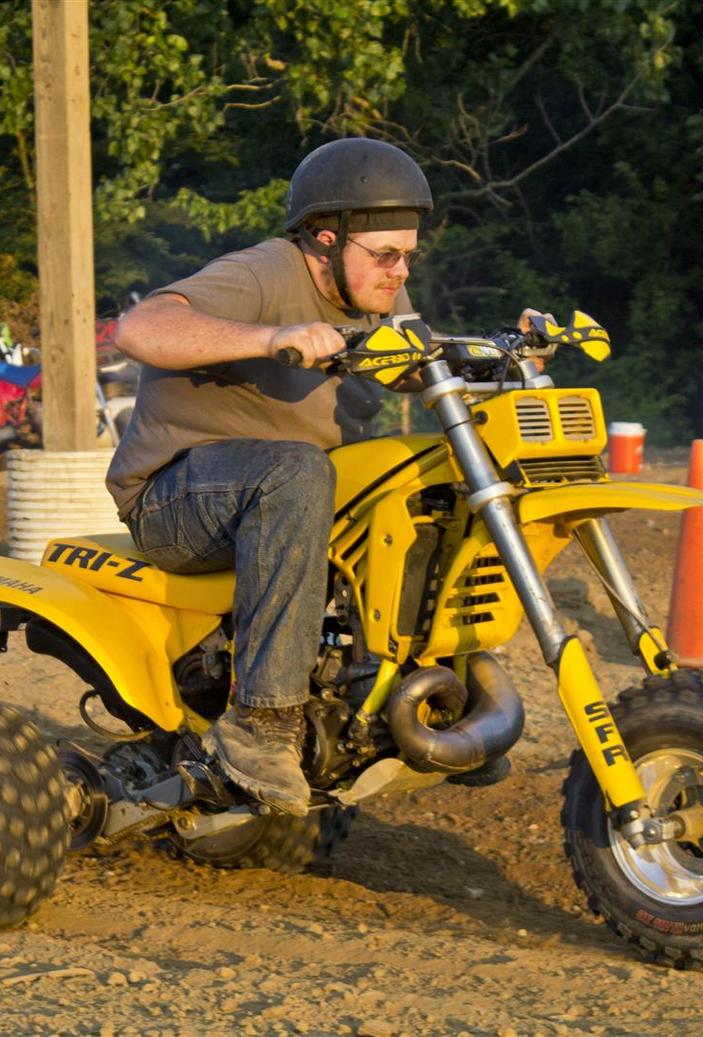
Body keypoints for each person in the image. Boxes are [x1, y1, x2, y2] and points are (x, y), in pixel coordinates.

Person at [105, 138, 433, 818]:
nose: (401, 271)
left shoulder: (377, 292)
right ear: (325, 239)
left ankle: (429, 692)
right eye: (386, 255)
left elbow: (414, 364)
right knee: (297, 469)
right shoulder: (261, 273)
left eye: (409, 254)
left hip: (284, 497)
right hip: (178, 497)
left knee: (420, 478)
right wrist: (269, 337)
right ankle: (259, 724)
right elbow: (139, 329)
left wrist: (506, 351)